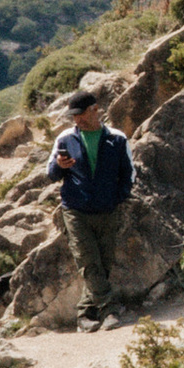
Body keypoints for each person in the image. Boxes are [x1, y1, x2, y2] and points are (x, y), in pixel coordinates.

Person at [47, 74, 134, 329]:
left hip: (108, 210)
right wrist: (59, 166)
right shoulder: (65, 140)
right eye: (74, 116)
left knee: (102, 264)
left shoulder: (117, 139)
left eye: (82, 114)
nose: (77, 120)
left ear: (96, 110)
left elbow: (128, 175)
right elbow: (51, 174)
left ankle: (84, 315)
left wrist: (117, 197)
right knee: (88, 260)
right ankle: (109, 311)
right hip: (76, 211)